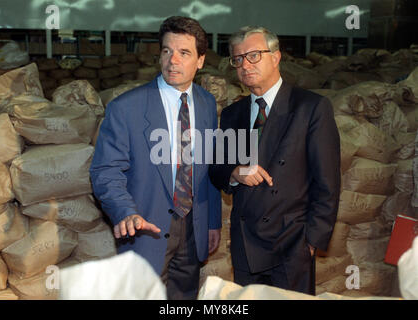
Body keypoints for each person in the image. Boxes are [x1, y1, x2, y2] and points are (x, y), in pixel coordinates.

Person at [90, 16, 221, 300]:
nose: (173, 60)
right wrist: (125, 211)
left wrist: (212, 222)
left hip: (192, 227)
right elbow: (105, 171)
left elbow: (208, 167)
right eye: (166, 51)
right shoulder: (126, 108)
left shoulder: (207, 103)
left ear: (200, 60)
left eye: (184, 53)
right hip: (145, 228)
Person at [209, 26, 340, 295]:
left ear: (276, 57)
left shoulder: (310, 107)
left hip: (292, 242)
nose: (245, 65)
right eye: (238, 59)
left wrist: (312, 240)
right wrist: (234, 172)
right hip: (246, 241)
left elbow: (327, 181)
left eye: (254, 55)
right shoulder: (234, 113)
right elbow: (215, 167)